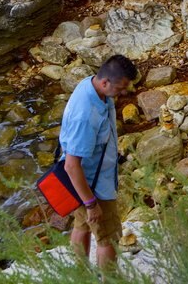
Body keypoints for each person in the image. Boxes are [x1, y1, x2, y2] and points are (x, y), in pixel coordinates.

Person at [59, 54, 137, 271]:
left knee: (81, 224)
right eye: (121, 88)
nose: (124, 93)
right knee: (109, 237)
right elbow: (71, 165)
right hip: (92, 185)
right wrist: (91, 203)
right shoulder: (85, 115)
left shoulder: (91, 86)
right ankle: (110, 279)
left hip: (86, 181)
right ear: (105, 82)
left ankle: (81, 273)